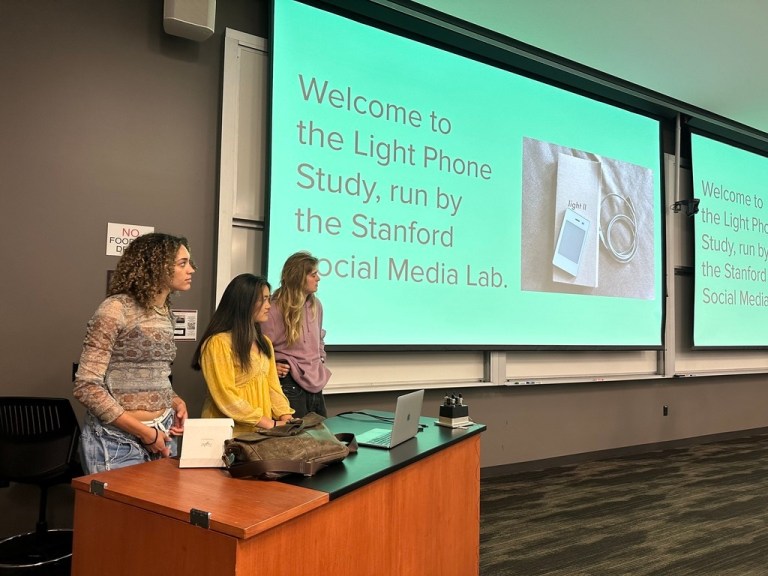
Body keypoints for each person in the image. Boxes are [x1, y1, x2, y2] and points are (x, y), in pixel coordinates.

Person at [73, 232, 195, 474]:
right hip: (117, 440)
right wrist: (145, 433)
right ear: (156, 266)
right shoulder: (115, 308)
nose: (191, 270)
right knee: (119, 513)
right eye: (183, 263)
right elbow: (86, 387)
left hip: (164, 431)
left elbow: (152, 374)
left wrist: (175, 401)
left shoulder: (165, 312)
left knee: (158, 512)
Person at [192, 273, 294, 435]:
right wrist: (269, 423)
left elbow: (273, 388)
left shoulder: (265, 342)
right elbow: (226, 397)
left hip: (261, 433)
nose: (269, 306)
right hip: (227, 435)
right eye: (263, 299)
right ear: (243, 303)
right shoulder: (218, 343)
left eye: (269, 299)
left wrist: (286, 418)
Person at [262, 251, 330, 418]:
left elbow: (319, 337)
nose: (318, 278)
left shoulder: (316, 305)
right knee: (295, 440)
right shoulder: (273, 308)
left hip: (315, 383)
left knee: (322, 440)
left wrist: (320, 357)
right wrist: (270, 367)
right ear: (299, 277)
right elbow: (258, 347)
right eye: (313, 274)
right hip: (289, 384)